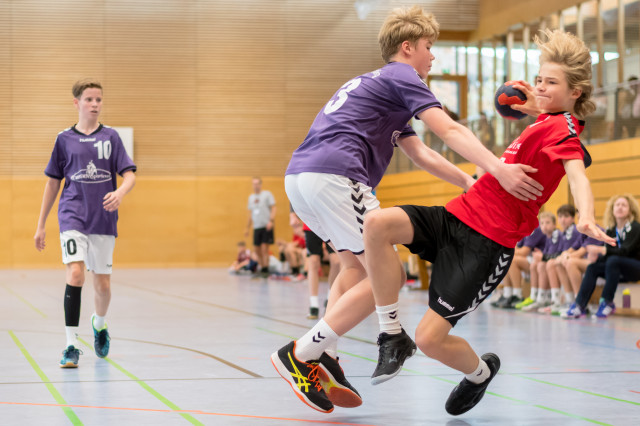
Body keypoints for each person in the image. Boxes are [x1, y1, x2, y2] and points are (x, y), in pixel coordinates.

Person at [271, 6, 545, 414]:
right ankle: (302, 352)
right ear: (407, 47)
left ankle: (325, 351)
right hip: (337, 175)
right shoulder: (403, 76)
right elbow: (449, 129)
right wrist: (499, 169)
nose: (432, 57)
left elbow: (420, 153)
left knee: (352, 268)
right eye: (429, 47)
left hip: (301, 178)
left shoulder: (377, 84)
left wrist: (470, 183)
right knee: (390, 276)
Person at [364, 28, 614, 416]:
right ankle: (390, 334)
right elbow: (554, 120)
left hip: (486, 246)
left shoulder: (564, 131)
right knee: (378, 224)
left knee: (429, 340)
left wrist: (585, 215)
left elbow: (578, 172)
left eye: (551, 83)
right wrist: (536, 106)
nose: (540, 87)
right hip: (456, 215)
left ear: (575, 92)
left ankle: (480, 373)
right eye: (539, 79)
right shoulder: (545, 121)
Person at [34, 79, 136, 368]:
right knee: (76, 273)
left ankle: (99, 324)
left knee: (102, 285)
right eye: (89, 99)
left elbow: (129, 174)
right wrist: (41, 224)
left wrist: (120, 192)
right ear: (76, 103)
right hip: (72, 214)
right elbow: (53, 183)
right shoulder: (64, 139)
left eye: (99, 100)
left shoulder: (112, 137)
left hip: (103, 218)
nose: (94, 104)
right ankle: (70, 346)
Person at [562, 194, 640, 319]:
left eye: (624, 205)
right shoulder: (611, 230)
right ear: (612, 209)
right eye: (617, 205)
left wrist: (602, 250)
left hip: (635, 268)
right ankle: (580, 305)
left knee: (613, 260)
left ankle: (607, 302)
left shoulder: (635, 227)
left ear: (630, 210)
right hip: (615, 269)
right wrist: (597, 257)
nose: (620, 207)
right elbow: (608, 255)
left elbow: (626, 251)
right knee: (593, 267)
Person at [491, 214, 547, 309]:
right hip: (528, 259)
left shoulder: (534, 228)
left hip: (537, 259)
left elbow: (524, 252)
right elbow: (513, 248)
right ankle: (508, 294)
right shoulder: (521, 228)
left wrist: (513, 250)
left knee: (512, 260)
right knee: (506, 258)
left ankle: (517, 295)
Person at [515, 212, 556, 310]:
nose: (544, 226)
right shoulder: (548, 236)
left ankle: (548, 299)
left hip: (553, 262)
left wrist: (543, 257)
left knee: (540, 265)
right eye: (542, 223)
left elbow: (557, 253)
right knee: (535, 265)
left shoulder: (556, 235)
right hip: (543, 260)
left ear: (554, 225)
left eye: (547, 223)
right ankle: (534, 297)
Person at [245, 177, 276, 278]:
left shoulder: (267, 194)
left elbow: (273, 208)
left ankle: (266, 268)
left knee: (264, 248)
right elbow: (250, 214)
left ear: (260, 184)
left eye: (257, 183)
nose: (255, 186)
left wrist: (271, 221)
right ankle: (262, 267)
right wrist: (247, 227)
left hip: (266, 225)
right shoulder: (251, 197)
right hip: (256, 226)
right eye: (254, 184)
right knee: (256, 249)